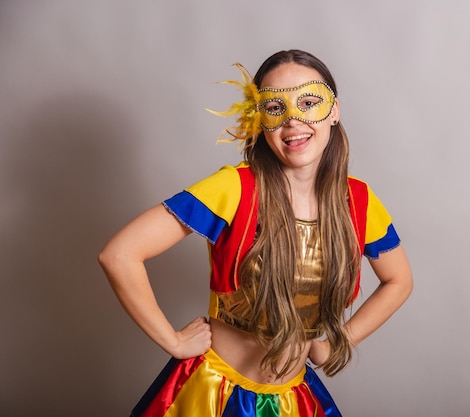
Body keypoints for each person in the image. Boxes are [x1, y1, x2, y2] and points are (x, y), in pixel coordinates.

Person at [99, 49, 413, 417]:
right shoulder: (233, 187)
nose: (293, 121)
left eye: (309, 102)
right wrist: (173, 341)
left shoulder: (357, 199)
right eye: (276, 108)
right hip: (213, 396)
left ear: (334, 110)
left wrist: (334, 345)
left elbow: (399, 280)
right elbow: (119, 254)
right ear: (260, 120)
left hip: (293, 400)